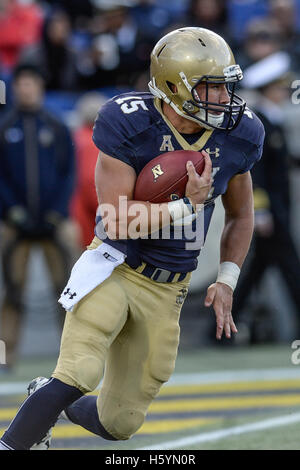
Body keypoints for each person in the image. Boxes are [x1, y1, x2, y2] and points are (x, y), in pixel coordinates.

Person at [0, 27, 264, 450]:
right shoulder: (129, 122)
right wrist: (188, 205)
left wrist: (227, 278)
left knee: (121, 423)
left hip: (170, 286)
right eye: (210, 88)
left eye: (225, 87)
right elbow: (119, 220)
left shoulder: (240, 134)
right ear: (174, 87)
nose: (222, 99)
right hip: (116, 266)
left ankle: (47, 401)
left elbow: (242, 214)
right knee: (79, 372)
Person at [0, 64, 76, 370]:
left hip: (53, 221)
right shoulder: (5, 127)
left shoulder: (57, 125)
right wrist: (12, 210)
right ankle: (4, 358)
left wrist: (57, 212)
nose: (25, 89)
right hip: (13, 222)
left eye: (31, 83)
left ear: (40, 87)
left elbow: (68, 173)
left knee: (69, 291)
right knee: (11, 290)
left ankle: (73, 358)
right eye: (21, 83)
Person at [232, 52, 300, 341]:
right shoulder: (259, 123)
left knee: (257, 272)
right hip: (271, 210)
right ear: (269, 89)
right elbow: (253, 172)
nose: (285, 91)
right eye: (280, 87)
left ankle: (221, 328)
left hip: (278, 207)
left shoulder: (271, 120)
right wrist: (259, 211)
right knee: (291, 268)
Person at [71, 92, 107, 249]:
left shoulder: (76, 137)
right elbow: (90, 182)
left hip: (74, 210)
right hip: (89, 217)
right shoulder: (95, 142)